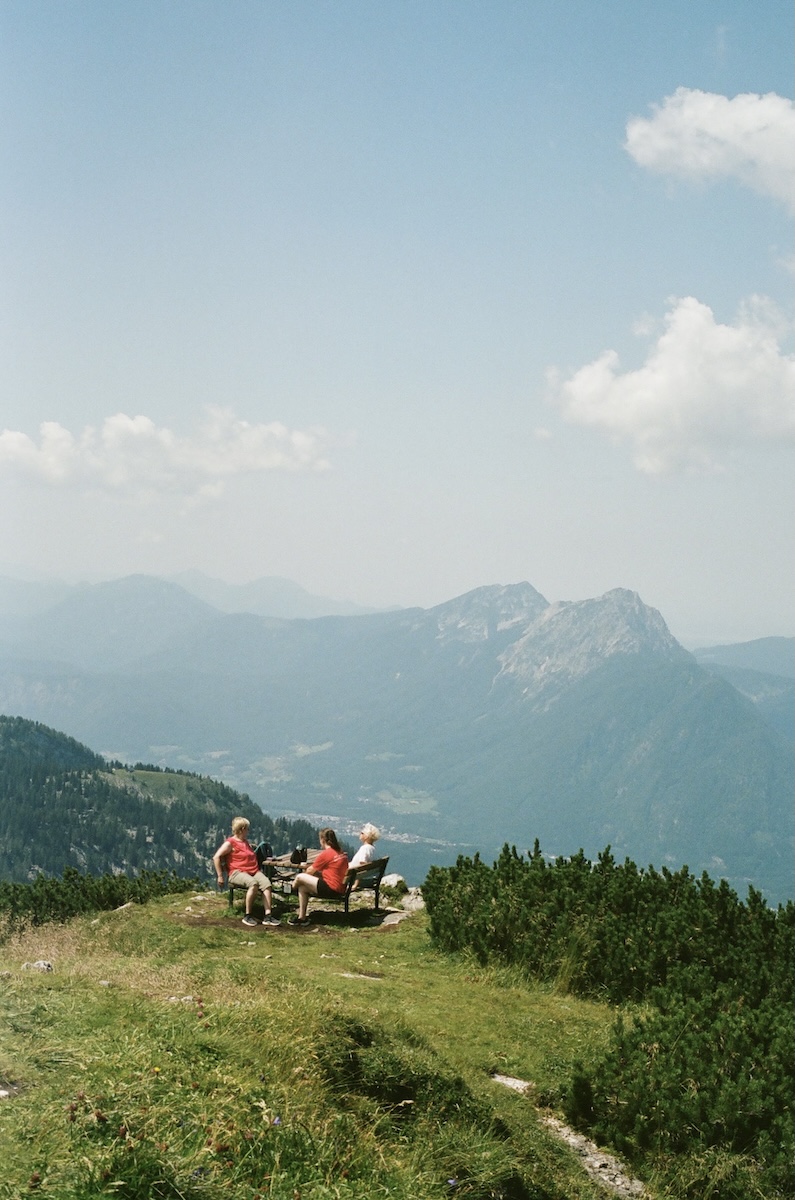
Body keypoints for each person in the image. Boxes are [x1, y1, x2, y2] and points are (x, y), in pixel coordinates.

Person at [213, 817, 280, 927]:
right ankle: (248, 915)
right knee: (253, 884)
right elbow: (216, 857)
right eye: (247, 829)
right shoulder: (230, 843)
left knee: (266, 884)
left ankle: (268, 915)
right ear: (242, 829)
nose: (248, 831)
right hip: (237, 872)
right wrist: (220, 876)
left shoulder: (245, 842)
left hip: (253, 871)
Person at [289, 828, 349, 926]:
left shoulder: (326, 854)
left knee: (300, 877)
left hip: (331, 889)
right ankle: (302, 918)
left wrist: (306, 874)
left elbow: (309, 871)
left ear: (323, 840)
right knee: (302, 888)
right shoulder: (340, 852)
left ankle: (291, 890)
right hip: (340, 887)